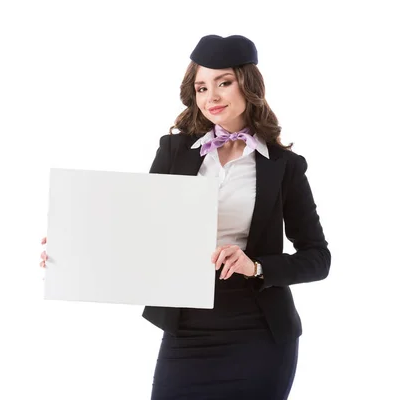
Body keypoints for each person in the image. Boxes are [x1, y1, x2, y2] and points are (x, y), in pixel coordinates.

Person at [40, 34, 331, 399]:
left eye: (224, 83)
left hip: (260, 334)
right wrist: (75, 246)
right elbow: (140, 227)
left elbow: (318, 258)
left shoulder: (284, 166)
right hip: (187, 330)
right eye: (201, 87)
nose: (212, 97)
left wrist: (255, 265)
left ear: (249, 85)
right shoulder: (175, 150)